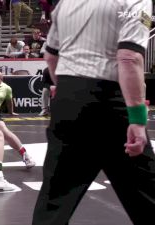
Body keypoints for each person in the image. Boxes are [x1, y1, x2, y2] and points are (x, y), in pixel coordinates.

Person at [32, 1, 155, 225]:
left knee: (55, 200)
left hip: (68, 100)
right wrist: (137, 119)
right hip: (110, 100)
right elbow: (129, 57)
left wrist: (71, 94)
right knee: (146, 194)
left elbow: (51, 57)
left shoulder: (65, 4)